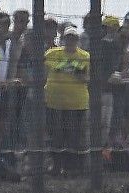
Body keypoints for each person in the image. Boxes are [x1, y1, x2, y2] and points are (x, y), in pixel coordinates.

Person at [44, 25, 90, 176]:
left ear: (77, 40)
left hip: (77, 104)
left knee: (75, 137)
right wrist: (72, 68)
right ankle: (57, 167)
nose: (71, 41)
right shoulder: (52, 52)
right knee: (56, 136)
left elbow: (84, 76)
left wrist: (65, 67)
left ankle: (73, 169)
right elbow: (53, 67)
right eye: (68, 38)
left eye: (74, 38)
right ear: (63, 39)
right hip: (54, 102)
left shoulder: (85, 55)